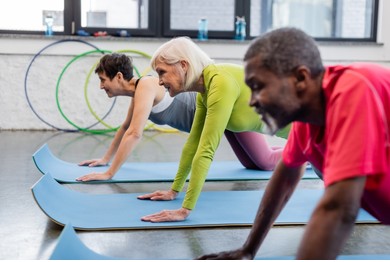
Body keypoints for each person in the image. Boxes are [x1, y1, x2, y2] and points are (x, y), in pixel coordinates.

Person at [198, 27, 390, 260]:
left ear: (300, 78)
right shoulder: (307, 121)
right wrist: (248, 250)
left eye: (258, 87)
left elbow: (338, 208)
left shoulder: (355, 90)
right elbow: (284, 180)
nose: (252, 102)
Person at [138, 37, 289, 222]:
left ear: (183, 65)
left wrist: (184, 210)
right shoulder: (205, 91)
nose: (159, 81)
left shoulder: (220, 82)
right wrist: (174, 190)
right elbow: (193, 143)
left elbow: (206, 150)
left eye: (162, 72)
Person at [77, 53, 284, 182]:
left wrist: (110, 173)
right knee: (252, 164)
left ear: (119, 77)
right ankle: (297, 150)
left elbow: (134, 133)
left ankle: (307, 150)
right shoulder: (139, 93)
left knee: (265, 162)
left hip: (227, 108)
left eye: (103, 80)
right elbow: (125, 127)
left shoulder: (147, 85)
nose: (101, 86)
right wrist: (105, 159)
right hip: (222, 118)